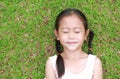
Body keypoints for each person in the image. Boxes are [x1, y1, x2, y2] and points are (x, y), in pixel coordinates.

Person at [45, 8, 103, 79]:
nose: (71, 36)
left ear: (85, 34)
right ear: (57, 34)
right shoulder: (52, 63)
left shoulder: (94, 63)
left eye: (77, 31)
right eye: (65, 31)